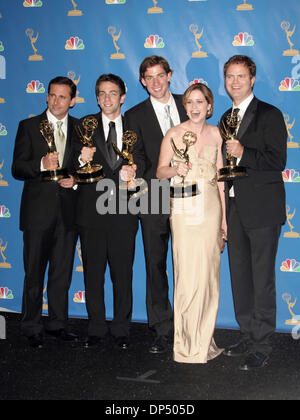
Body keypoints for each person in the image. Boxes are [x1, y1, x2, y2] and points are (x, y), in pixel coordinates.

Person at [221, 55, 287, 370]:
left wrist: (244, 152)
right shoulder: (224, 117)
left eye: (241, 76)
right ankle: (247, 333)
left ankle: (262, 343)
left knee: (262, 280)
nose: (235, 82)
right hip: (234, 207)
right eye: (230, 76)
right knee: (240, 279)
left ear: (253, 79)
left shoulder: (270, 114)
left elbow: (278, 161)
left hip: (262, 209)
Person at [156, 83, 226, 363]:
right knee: (186, 275)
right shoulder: (173, 133)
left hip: (210, 210)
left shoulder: (217, 134)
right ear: (184, 107)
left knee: (208, 276)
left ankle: (204, 340)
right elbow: (160, 172)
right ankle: (185, 345)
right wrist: (176, 168)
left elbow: (221, 178)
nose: (195, 107)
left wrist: (225, 219)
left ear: (209, 105)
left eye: (200, 102)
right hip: (184, 209)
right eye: (190, 103)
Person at [124, 55, 188, 354]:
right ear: (142, 81)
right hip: (154, 196)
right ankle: (162, 328)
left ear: (170, 75)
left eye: (160, 75)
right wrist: (164, 171)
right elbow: (135, 157)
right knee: (156, 264)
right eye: (149, 77)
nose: (155, 82)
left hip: (191, 195)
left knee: (189, 263)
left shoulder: (189, 103)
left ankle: (191, 325)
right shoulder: (134, 115)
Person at [12, 76, 79, 348]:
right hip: (37, 214)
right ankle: (30, 325)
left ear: (72, 101)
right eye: (52, 95)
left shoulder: (81, 128)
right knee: (34, 273)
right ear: (46, 96)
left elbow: (85, 168)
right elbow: (17, 168)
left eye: (63, 97)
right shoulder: (28, 127)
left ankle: (57, 324)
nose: (56, 101)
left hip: (68, 213)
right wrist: (40, 163)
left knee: (62, 274)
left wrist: (75, 179)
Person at [75, 74, 140, 350]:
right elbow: (68, 165)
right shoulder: (83, 126)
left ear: (122, 97)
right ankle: (96, 327)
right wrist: (81, 159)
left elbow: (147, 161)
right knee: (93, 272)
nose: (107, 99)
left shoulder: (136, 127)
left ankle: (122, 329)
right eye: (101, 93)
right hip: (91, 213)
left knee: (123, 273)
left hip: (125, 211)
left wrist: (136, 172)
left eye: (112, 93)